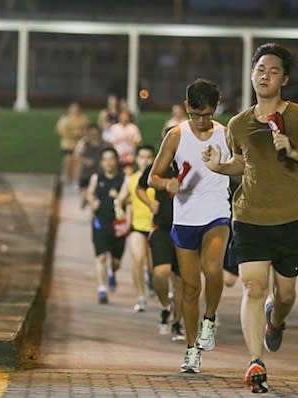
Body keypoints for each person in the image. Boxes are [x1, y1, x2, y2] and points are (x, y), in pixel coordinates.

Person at [203, 43, 298, 393]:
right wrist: (219, 167)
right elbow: (240, 164)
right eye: (260, 69)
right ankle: (255, 362)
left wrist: (293, 150)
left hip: (290, 216)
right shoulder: (238, 123)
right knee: (253, 287)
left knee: (285, 293)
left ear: (284, 79)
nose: (265, 75)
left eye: (273, 71)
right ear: (252, 74)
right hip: (249, 216)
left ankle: (276, 321)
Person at [149, 78, 232, 374]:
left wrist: (223, 165)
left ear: (215, 109)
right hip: (185, 216)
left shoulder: (225, 134)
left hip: (217, 212)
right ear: (187, 108)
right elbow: (152, 177)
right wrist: (168, 182)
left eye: (207, 114)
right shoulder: (175, 135)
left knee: (212, 269)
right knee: (189, 288)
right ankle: (192, 349)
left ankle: (210, 318)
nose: (201, 121)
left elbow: (242, 165)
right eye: (196, 114)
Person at [137, 141, 185, 341]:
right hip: (162, 228)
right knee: (160, 273)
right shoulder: (158, 166)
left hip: (186, 228)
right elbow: (141, 187)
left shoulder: (192, 164)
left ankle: (177, 323)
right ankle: (166, 305)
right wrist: (150, 203)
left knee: (182, 282)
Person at [114, 145, 156, 312]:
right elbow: (120, 199)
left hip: (155, 227)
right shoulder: (131, 179)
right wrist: (119, 209)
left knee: (154, 265)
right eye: (142, 157)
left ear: (153, 159)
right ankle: (140, 296)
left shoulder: (157, 179)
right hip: (137, 227)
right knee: (138, 259)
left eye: (148, 157)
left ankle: (152, 281)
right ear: (136, 159)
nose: (145, 160)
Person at [86, 147, 127, 304]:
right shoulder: (97, 178)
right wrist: (92, 201)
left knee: (116, 261)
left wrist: (119, 199)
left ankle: (112, 272)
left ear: (117, 161)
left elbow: (127, 198)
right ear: (101, 162)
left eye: (112, 159)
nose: (109, 162)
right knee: (101, 256)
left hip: (118, 225)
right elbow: (89, 193)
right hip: (100, 222)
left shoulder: (124, 179)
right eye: (105, 159)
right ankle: (101, 289)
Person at [56, 102, 90, 186]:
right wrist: (73, 133)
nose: (75, 110)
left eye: (76, 108)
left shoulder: (84, 119)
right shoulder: (64, 119)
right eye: (73, 108)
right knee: (68, 161)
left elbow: (88, 130)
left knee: (77, 162)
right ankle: (67, 178)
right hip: (67, 144)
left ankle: (76, 180)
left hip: (79, 145)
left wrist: (80, 133)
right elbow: (60, 131)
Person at [74, 123, 108, 207]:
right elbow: (77, 155)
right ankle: (86, 198)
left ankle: (90, 204)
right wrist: (85, 161)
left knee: (95, 193)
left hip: (98, 172)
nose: (94, 136)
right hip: (86, 172)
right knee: (85, 189)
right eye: (92, 133)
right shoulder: (83, 143)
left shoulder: (104, 144)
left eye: (95, 133)